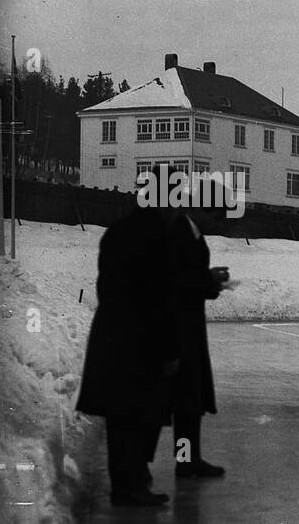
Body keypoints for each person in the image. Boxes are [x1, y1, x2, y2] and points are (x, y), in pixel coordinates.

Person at [75, 198, 179, 506]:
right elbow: (160, 299)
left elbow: (108, 287)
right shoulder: (157, 236)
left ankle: (129, 481)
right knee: (138, 414)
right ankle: (130, 485)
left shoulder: (119, 231)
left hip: (114, 334)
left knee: (123, 416)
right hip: (141, 340)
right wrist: (169, 348)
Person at [170, 207, 231, 478]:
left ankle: (188, 459)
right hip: (181, 329)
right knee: (186, 400)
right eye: (217, 216)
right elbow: (180, 278)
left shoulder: (190, 231)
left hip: (188, 327)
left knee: (190, 399)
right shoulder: (182, 232)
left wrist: (210, 282)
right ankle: (185, 461)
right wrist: (209, 279)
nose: (218, 223)